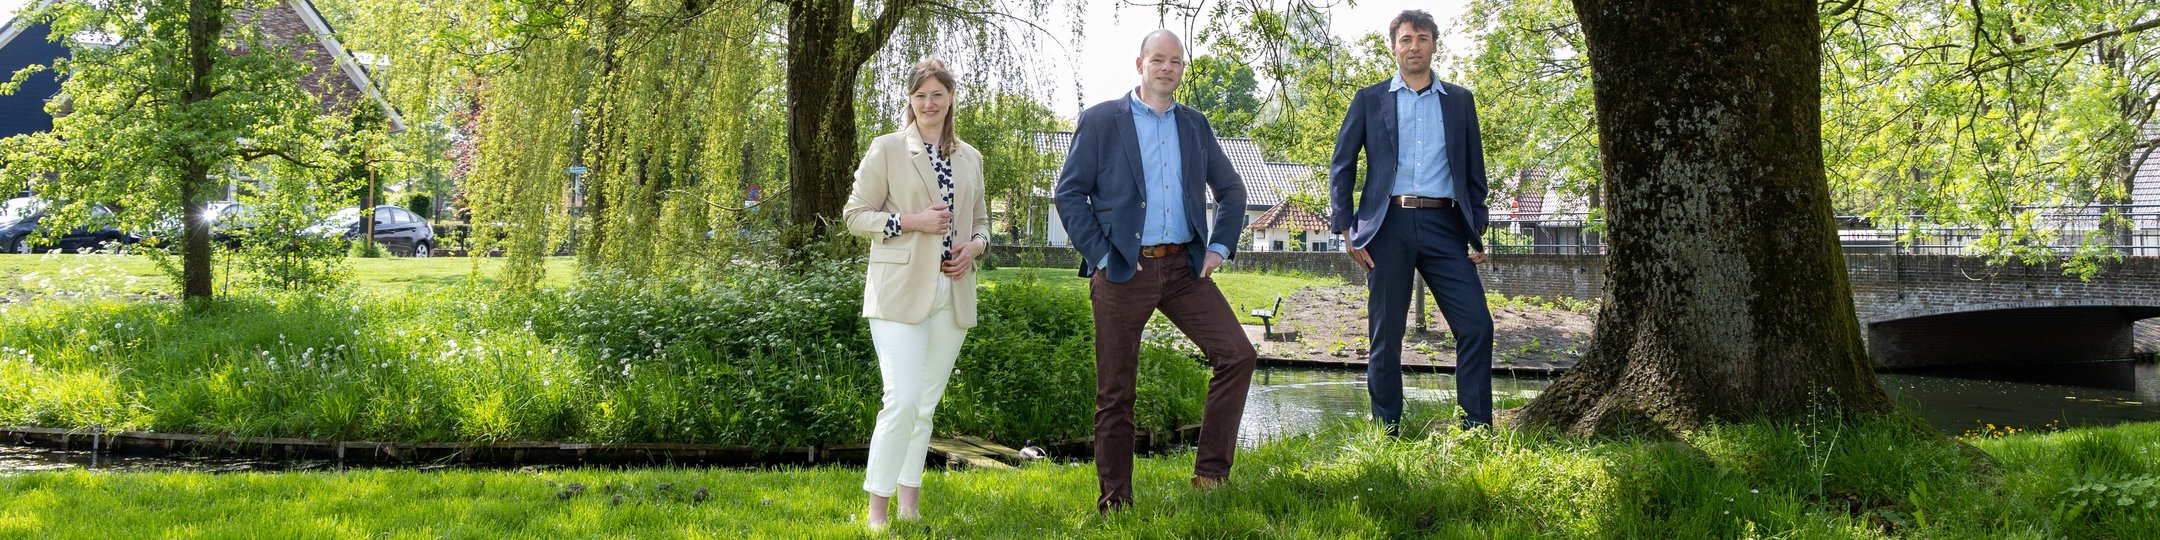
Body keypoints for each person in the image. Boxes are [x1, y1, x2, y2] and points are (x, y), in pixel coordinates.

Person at [1052, 29, 1255, 514]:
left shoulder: (1195, 125)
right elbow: (1069, 194)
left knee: (1238, 356)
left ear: (1183, 68)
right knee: (1116, 391)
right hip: (1123, 271)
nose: (1167, 68)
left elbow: (1232, 191)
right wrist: (1102, 256)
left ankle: (1210, 475)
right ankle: (1116, 500)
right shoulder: (1102, 120)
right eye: (1158, 59)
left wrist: (1220, 247)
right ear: (1139, 63)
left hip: (1185, 269)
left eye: (1176, 61)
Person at [840, 58, 990, 530]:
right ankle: (876, 512)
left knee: (923, 406)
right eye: (921, 95)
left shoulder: (970, 157)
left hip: (952, 291)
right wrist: (910, 221)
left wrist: (974, 248)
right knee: (901, 400)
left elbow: (983, 223)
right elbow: (855, 215)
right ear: (909, 99)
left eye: (938, 95)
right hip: (899, 293)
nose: (929, 103)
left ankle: (909, 505)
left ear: (950, 99)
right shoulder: (886, 149)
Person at [1329, 9, 1495, 433]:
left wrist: (1478, 231)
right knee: (1386, 335)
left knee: (1477, 325)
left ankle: (1476, 428)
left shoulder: (1459, 101)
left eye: (1422, 38)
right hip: (1387, 228)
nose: (1414, 46)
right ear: (1393, 47)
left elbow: (1474, 175)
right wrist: (1346, 229)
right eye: (1406, 39)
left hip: (1446, 227)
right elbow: (1342, 166)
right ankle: (1387, 429)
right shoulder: (1369, 99)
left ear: (1434, 45)